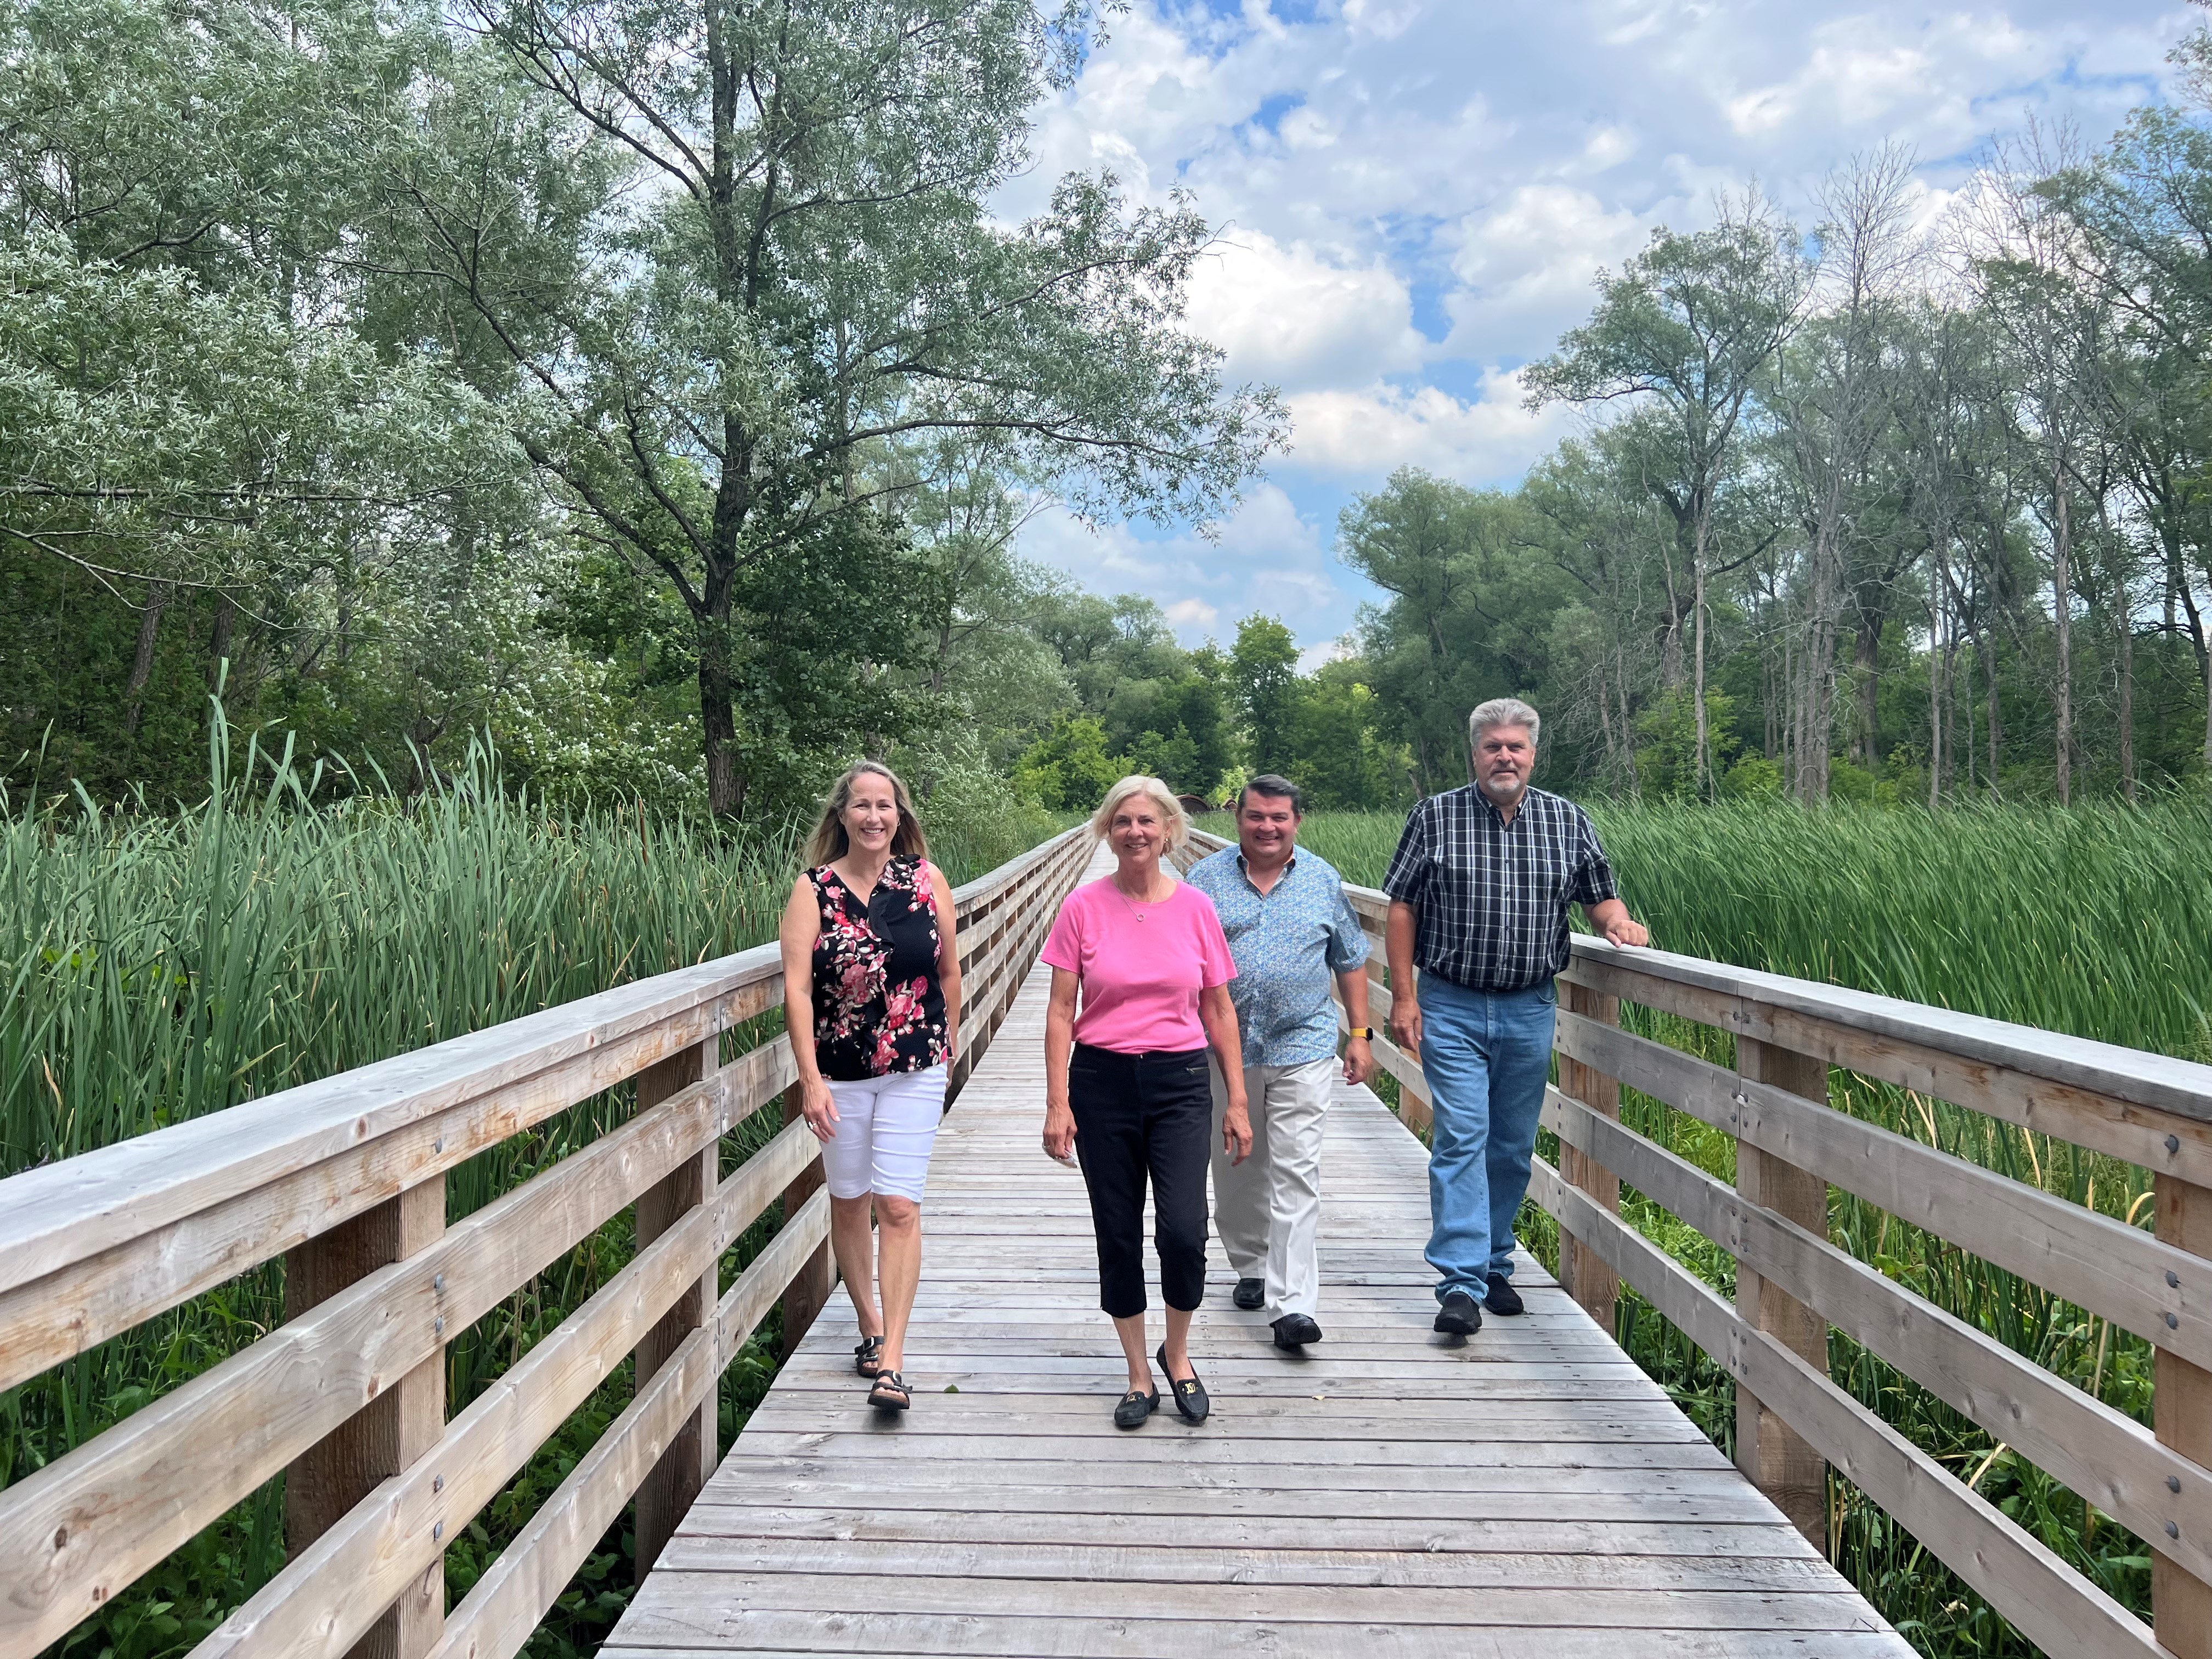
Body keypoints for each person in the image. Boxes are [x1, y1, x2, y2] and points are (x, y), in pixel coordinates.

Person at [1381, 698, 1649, 1337]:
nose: (1505, 756)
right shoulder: (1435, 815)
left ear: (1532, 754)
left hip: (1530, 1005)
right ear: (1475, 753)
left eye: (1516, 747)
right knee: (1463, 1137)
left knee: (1511, 1145)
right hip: (1450, 1000)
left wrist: (1618, 924)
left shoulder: (1566, 819)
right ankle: (1461, 1284)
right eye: (1493, 746)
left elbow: (1598, 895)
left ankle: (1495, 1260)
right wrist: (1403, 996)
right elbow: (1401, 908)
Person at [1041, 775, 1254, 1429]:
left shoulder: (1194, 909)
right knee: (1117, 1230)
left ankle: (1178, 1353)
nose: (1136, 832)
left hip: (1180, 1081)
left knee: (1186, 1231)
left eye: (1148, 821)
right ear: (1109, 830)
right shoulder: (1082, 907)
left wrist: (1237, 1099)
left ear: (1169, 831)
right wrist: (1057, 1101)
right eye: (1123, 821)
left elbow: (1219, 1008)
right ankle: (1138, 1374)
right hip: (1102, 1081)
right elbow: (1058, 1009)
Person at [779, 761, 961, 1412]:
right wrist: (810, 1078)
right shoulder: (814, 890)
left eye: (885, 805)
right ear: (842, 816)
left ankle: (893, 1362)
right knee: (851, 1199)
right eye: (862, 806)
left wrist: (950, 1041)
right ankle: (868, 1324)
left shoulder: (926, 879)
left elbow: (947, 970)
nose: (875, 817)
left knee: (899, 1206)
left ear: (900, 815)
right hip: (842, 1074)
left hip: (916, 1066)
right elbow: (797, 989)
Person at [1185, 775, 1374, 1351]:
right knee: (1239, 1160)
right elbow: (1182, 961)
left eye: (1280, 818)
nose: (1268, 827)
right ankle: (1250, 1264)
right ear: (1237, 818)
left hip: (1304, 1044)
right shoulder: (1205, 880)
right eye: (1257, 816)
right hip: (1225, 1047)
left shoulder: (1321, 879)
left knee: (1297, 1169)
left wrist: (1361, 1034)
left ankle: (1293, 1305)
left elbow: (1351, 959)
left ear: (1297, 822)